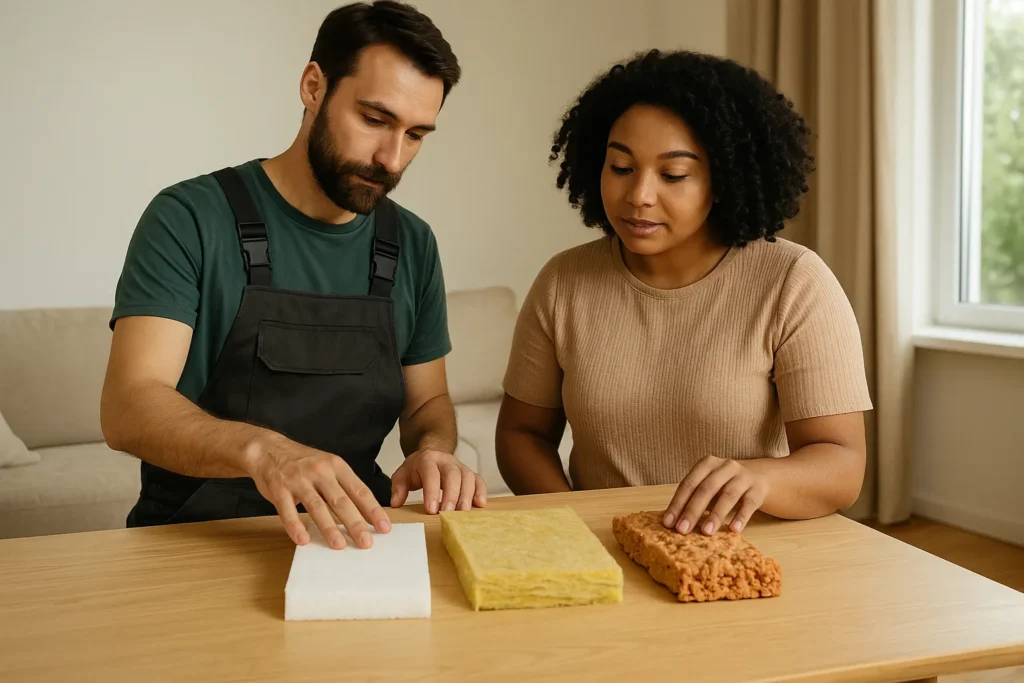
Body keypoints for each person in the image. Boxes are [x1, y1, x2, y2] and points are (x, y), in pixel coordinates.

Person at [100, 1, 486, 552]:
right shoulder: (189, 218)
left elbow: (427, 404)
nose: (392, 159)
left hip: (355, 540)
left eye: (417, 134)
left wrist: (434, 450)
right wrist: (264, 453)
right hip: (200, 541)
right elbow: (127, 408)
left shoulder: (412, 244)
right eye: (375, 120)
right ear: (312, 87)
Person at [496, 49, 873, 537]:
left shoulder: (793, 281)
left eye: (673, 175)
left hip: (747, 550)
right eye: (621, 167)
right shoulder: (564, 282)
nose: (639, 195)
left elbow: (842, 465)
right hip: (606, 546)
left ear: (723, 180)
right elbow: (522, 434)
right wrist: (580, 524)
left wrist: (758, 477)